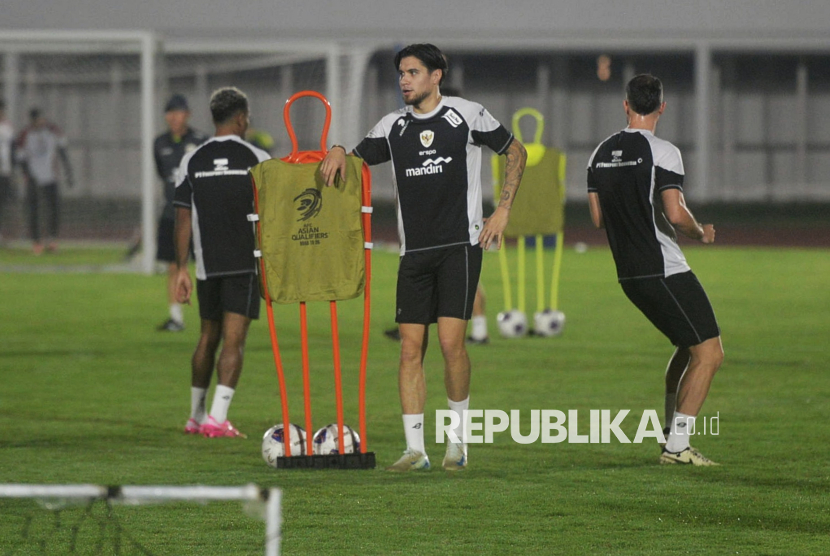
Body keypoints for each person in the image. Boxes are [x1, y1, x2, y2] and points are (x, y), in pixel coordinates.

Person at [320, 44, 527, 471]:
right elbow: (356, 158)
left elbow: (515, 150)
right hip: (413, 253)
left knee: (452, 344)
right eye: (401, 73)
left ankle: (458, 443)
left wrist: (503, 209)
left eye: (413, 72)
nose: (404, 81)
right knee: (409, 349)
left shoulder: (466, 114)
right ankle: (415, 450)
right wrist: (339, 148)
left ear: (436, 77)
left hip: (459, 248)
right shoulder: (392, 126)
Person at [586, 74, 724, 466]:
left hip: (629, 274)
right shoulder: (664, 152)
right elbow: (676, 214)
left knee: (687, 344)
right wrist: (701, 234)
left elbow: (598, 218)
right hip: (664, 267)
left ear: (625, 105)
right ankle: (677, 446)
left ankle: (670, 431)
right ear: (662, 107)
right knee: (710, 354)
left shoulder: (598, 153)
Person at [173, 87, 270, 438]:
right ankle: (216, 419)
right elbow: (271, 215)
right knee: (234, 341)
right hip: (244, 263)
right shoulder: (257, 158)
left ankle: (195, 417)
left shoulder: (191, 159)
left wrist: (181, 269)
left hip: (205, 266)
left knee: (206, 338)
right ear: (242, 118)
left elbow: (182, 218)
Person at [154, 94, 209, 332]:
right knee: (174, 265)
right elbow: (162, 173)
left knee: (207, 266)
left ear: (187, 114)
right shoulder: (159, 143)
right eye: (170, 113)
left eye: (179, 113)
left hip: (200, 215)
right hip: (172, 214)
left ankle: (210, 316)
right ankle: (176, 318)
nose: (174, 118)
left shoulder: (201, 140)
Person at [15, 108, 73, 254]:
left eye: (43, 119)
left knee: (54, 208)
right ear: (32, 120)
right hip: (34, 178)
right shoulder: (25, 134)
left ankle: (52, 240)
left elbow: (62, 150)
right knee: (34, 210)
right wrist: (28, 175)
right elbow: (21, 158)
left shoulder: (53, 130)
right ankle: (36, 242)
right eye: (38, 119)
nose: (42, 122)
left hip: (51, 176)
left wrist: (68, 172)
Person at [0, 101, 14, 244]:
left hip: (4, 171)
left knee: (2, 203)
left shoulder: (7, 127)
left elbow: (12, 149)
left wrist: (12, 168)